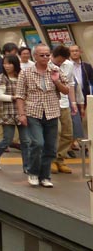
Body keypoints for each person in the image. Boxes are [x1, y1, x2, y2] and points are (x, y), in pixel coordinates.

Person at [14, 44, 69, 188]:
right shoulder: (26, 73)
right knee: (38, 143)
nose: (45, 57)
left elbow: (66, 90)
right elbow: (19, 95)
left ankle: (45, 176)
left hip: (52, 112)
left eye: (47, 54)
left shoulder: (55, 70)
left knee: (51, 147)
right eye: (42, 55)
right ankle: (33, 172)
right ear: (35, 57)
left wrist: (56, 80)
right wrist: (21, 114)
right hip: (33, 112)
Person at [0, 55, 29, 172]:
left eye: (9, 63)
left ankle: (27, 166)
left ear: (15, 64)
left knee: (25, 140)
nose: (6, 66)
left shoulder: (22, 76)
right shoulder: (1, 78)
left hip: (22, 112)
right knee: (8, 139)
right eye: (5, 63)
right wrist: (13, 97)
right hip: (8, 112)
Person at [50, 45, 78, 174]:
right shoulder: (46, 65)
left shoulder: (69, 65)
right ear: (53, 56)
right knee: (56, 132)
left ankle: (60, 159)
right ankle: (51, 160)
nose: (61, 63)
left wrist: (73, 102)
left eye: (63, 61)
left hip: (65, 102)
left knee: (68, 132)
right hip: (51, 103)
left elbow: (71, 84)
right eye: (59, 61)